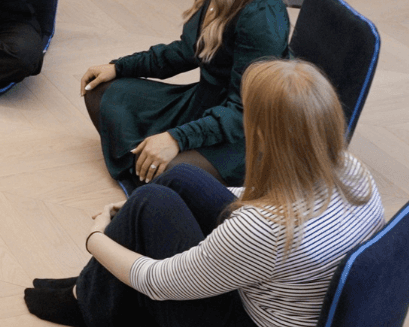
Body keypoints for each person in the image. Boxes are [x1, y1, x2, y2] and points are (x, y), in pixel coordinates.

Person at [25, 59, 385, 327]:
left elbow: (158, 281)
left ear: (261, 136)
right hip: (290, 289)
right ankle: (93, 285)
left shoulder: (263, 229)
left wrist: (95, 237)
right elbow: (264, 200)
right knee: (181, 178)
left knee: (151, 200)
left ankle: (87, 300)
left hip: (245, 318)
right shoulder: (351, 170)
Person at [80, 0, 289, 188]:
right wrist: (119, 66)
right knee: (101, 90)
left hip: (243, 131)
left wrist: (176, 138)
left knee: (173, 178)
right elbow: (184, 52)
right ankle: (154, 162)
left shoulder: (262, 16)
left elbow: (244, 112)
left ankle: (171, 171)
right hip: (204, 102)